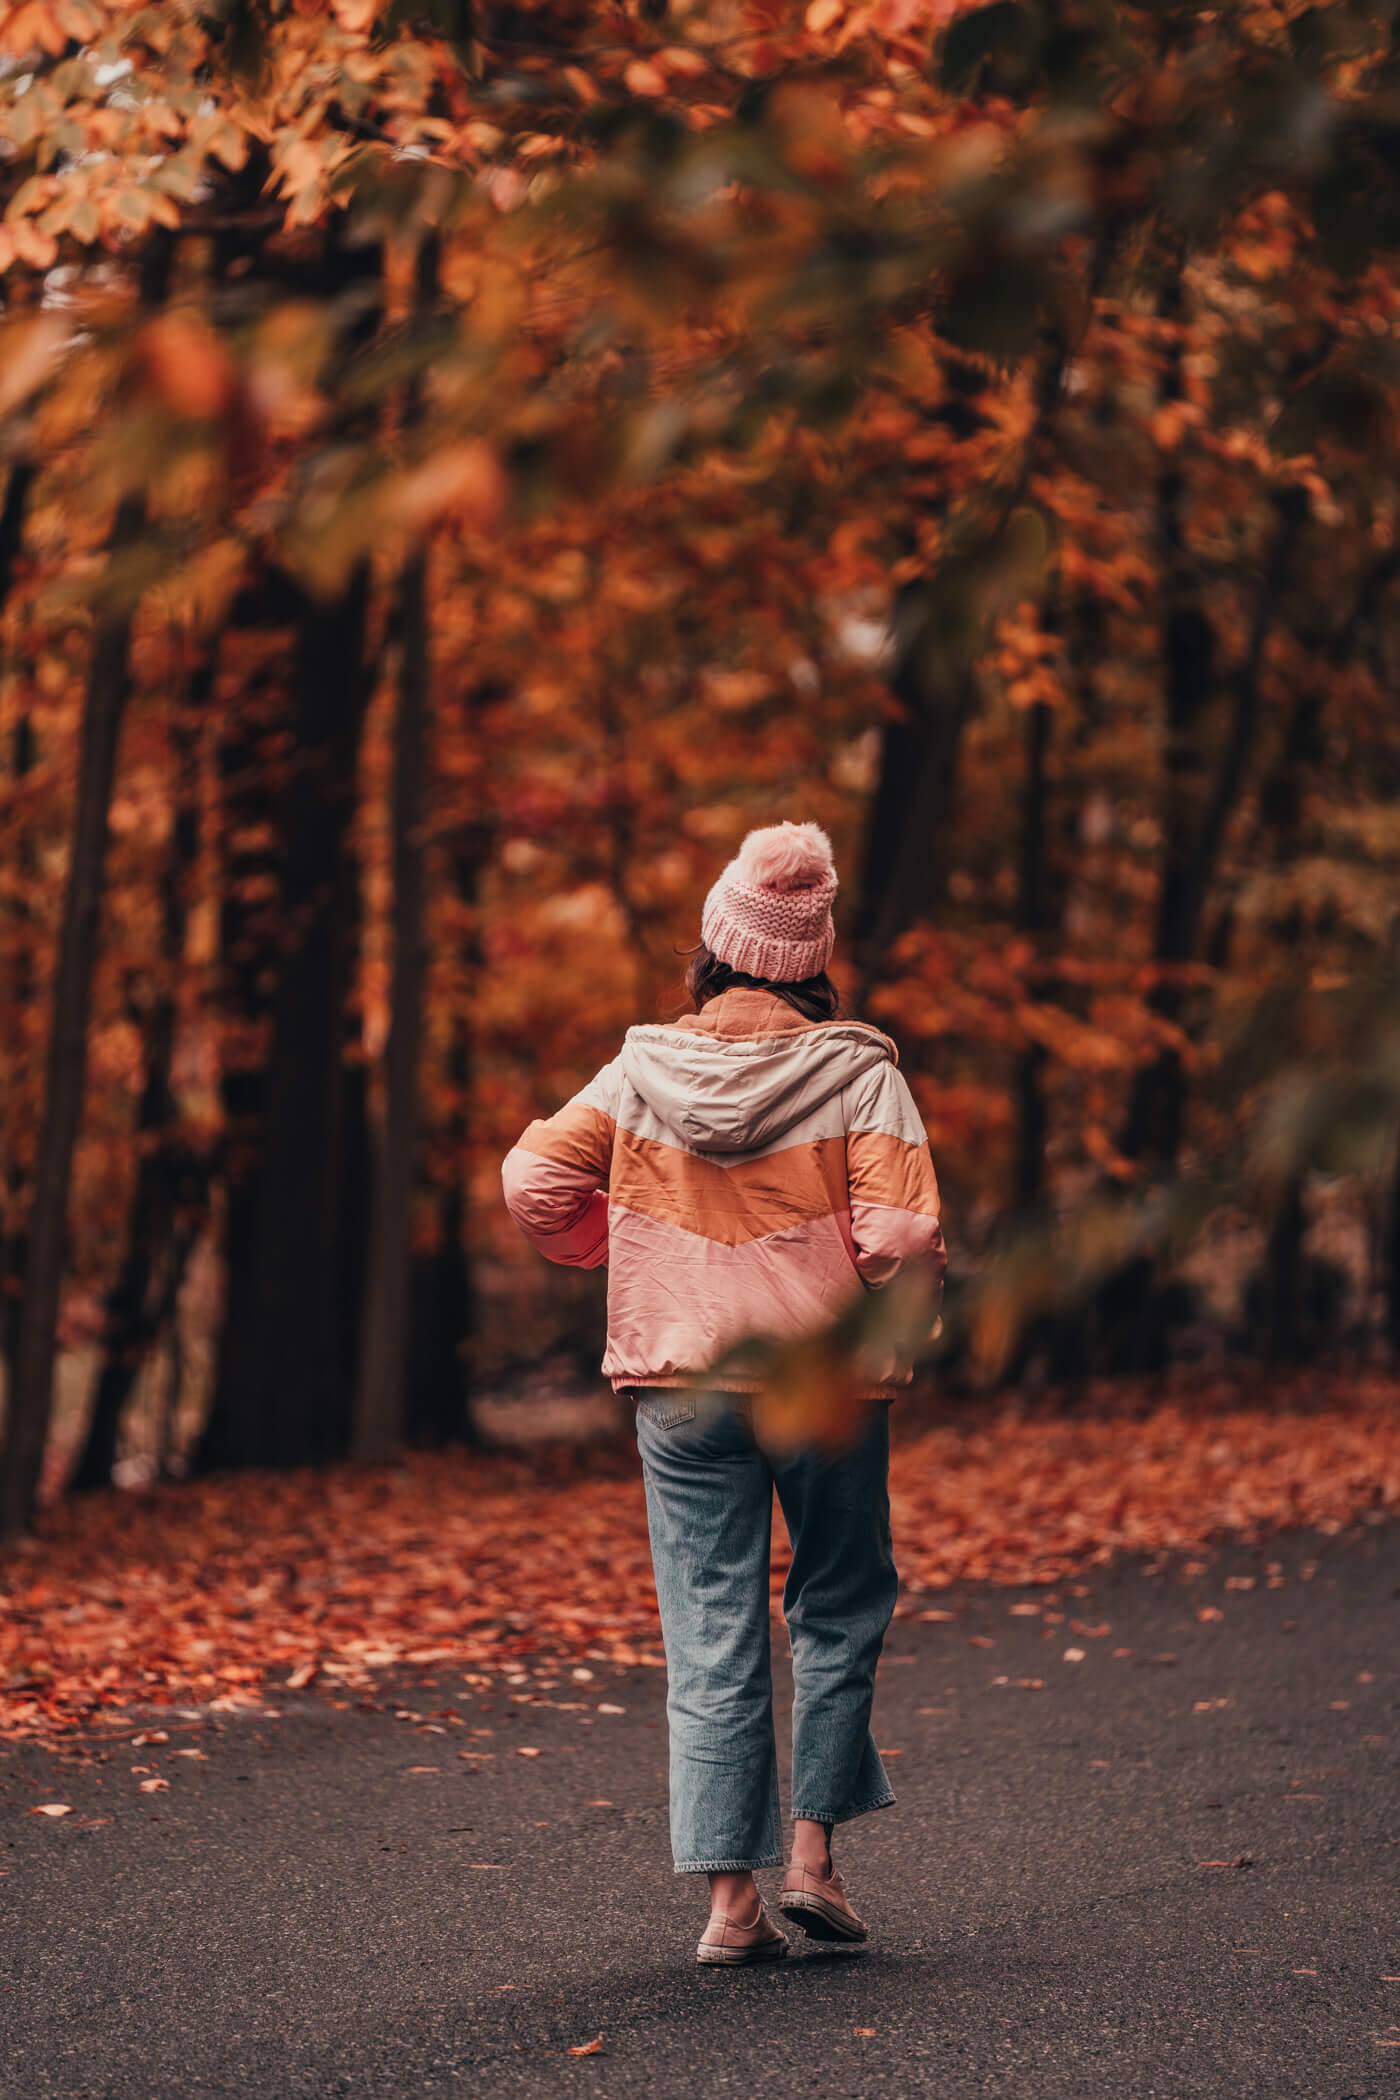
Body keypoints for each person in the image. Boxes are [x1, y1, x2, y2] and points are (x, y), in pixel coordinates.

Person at [502, 821, 946, 1965]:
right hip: (821, 1384)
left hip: (679, 1383)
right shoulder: (858, 1072)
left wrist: (624, 1246)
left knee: (709, 1627)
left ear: (715, 944)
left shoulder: (638, 1069)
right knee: (839, 1605)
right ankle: (811, 1861)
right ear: (810, 957)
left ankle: (728, 1910)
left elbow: (532, 1178)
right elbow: (898, 1230)